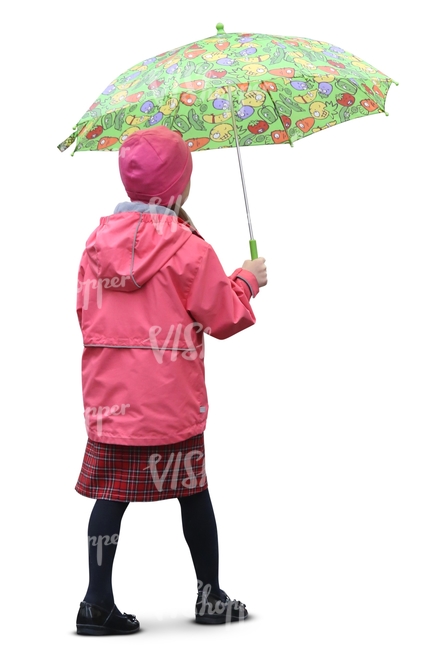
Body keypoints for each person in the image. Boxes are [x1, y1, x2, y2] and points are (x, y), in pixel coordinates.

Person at [74, 125, 267, 635]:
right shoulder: (188, 249)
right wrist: (247, 279)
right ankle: (210, 596)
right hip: (169, 402)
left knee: (110, 498)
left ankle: (96, 603)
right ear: (180, 185)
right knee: (194, 493)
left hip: (111, 401)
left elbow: (88, 313)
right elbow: (224, 318)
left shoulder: (96, 243)